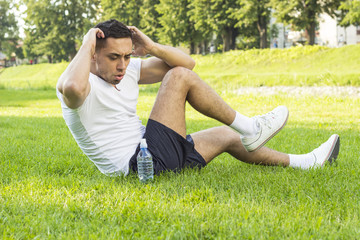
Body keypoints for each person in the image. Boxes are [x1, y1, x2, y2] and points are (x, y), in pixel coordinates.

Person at [56, 19, 340, 177]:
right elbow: (72, 89)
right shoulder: (79, 83)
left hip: (154, 156)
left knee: (226, 135)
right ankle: (252, 127)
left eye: (127, 56)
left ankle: (305, 162)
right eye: (114, 57)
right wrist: (87, 42)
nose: (122, 65)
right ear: (93, 53)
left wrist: (152, 46)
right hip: (138, 166)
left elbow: (186, 64)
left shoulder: (127, 70)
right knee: (178, 80)